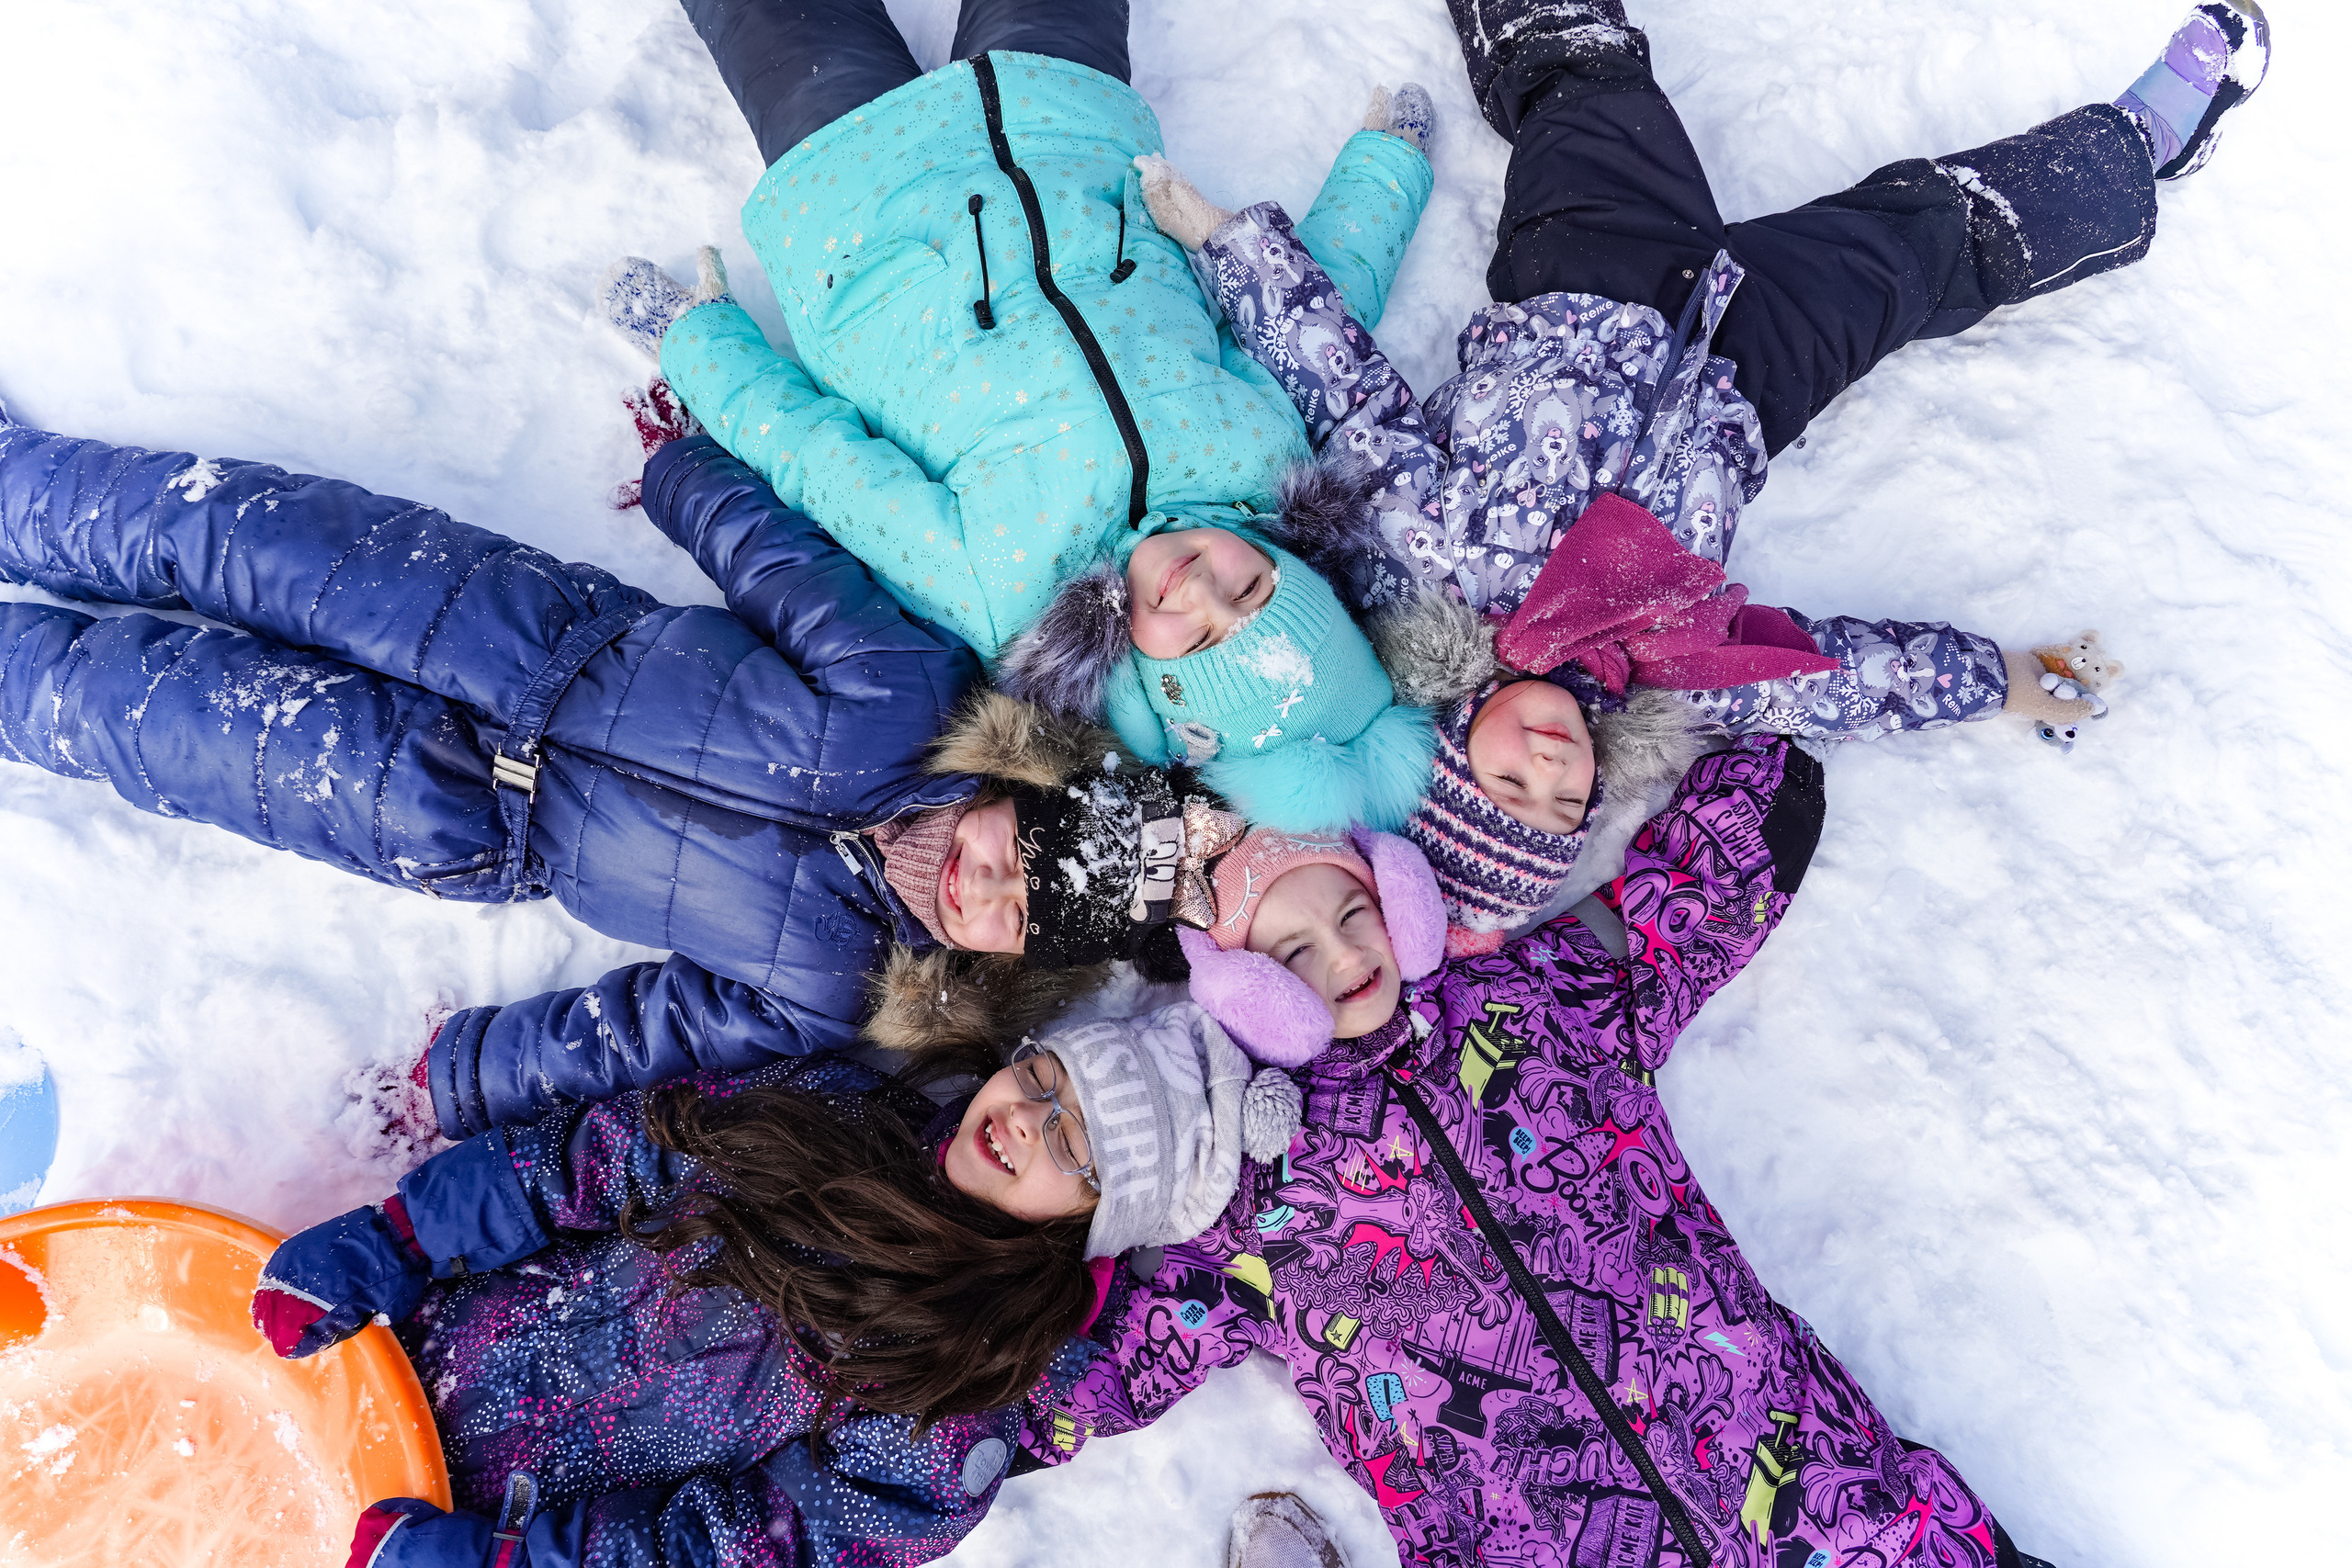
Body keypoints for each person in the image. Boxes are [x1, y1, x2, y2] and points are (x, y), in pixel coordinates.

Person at [1132, 0, 2266, 952]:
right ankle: (2130, 154)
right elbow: (1835, 681)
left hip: (1583, 282)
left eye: (1507, 784)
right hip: (1750, 377)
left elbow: (1350, 396)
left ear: (1451, 751)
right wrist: (2003, 680)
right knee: (1919, 254)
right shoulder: (1667, 681)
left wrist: (1234, 245)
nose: (1548, 765)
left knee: (1578, 80)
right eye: (1566, 801)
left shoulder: (1422, 569)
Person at [1024, 735, 2060, 1568]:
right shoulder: (1246, 1187)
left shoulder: (1532, 1002)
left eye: (1355, 912)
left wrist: (1755, 787)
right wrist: (978, 1438)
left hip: (1811, 1493)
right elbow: (1127, 1357)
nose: (1344, 955)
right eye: (1292, 953)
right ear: (1243, 995)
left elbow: (1666, 919)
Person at [0, 407, 1167, 1135]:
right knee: (226, 531)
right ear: (1022, 795)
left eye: (1019, 917)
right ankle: (21, 487)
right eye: (1018, 854)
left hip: (453, 810)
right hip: (514, 622)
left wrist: (468, 1078)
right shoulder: (903, 693)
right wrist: (683, 474)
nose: (986, 887)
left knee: (160, 719)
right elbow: (784, 570)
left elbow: (641, 1030)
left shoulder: (839, 990)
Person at [610, 0, 1449, 831]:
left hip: (862, 203)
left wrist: (699, 346)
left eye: (1195, 643)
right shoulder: (1266, 453)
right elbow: (1315, 316)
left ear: (1153, 694)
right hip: (1064, 125)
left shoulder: (1003, 589)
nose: (1200, 586)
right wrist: (1386, 169)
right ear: (1292, 562)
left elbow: (823, 464)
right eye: (1254, 588)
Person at [251, 1003, 1298, 1567]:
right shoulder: (835, 1112)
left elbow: (754, 1548)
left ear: (1096, 1222)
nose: (1025, 1117)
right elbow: (603, 1156)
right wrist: (400, 1236)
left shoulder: (954, 1394)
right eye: (1040, 1078)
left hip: (490, 1524)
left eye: (1073, 1141)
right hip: (392, 1361)